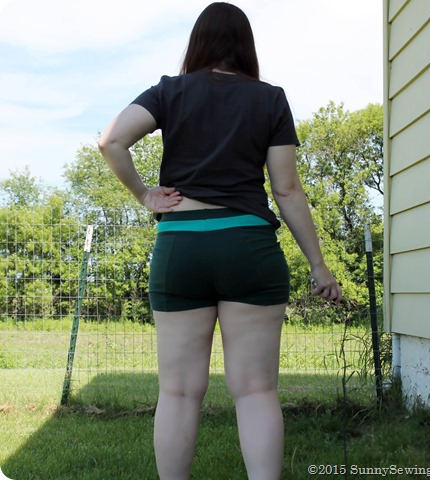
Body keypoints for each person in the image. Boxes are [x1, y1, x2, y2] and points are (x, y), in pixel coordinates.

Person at [99, 3, 342, 479]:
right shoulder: (270, 99)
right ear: (246, 46)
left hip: (181, 248)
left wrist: (145, 194)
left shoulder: (169, 91)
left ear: (198, 43)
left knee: (178, 392)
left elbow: (110, 141)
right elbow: (287, 190)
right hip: (248, 247)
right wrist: (319, 265)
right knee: (255, 391)